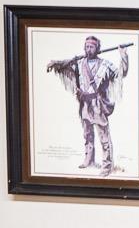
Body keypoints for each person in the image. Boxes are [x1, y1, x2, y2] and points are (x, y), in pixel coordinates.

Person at [47, 35, 125, 176]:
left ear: (97, 48)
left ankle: (107, 166)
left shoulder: (105, 65)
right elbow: (65, 66)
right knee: (87, 134)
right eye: (87, 46)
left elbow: (120, 74)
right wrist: (58, 62)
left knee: (104, 136)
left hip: (98, 105)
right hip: (84, 104)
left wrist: (123, 56)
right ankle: (89, 160)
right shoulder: (78, 63)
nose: (89, 49)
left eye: (92, 46)